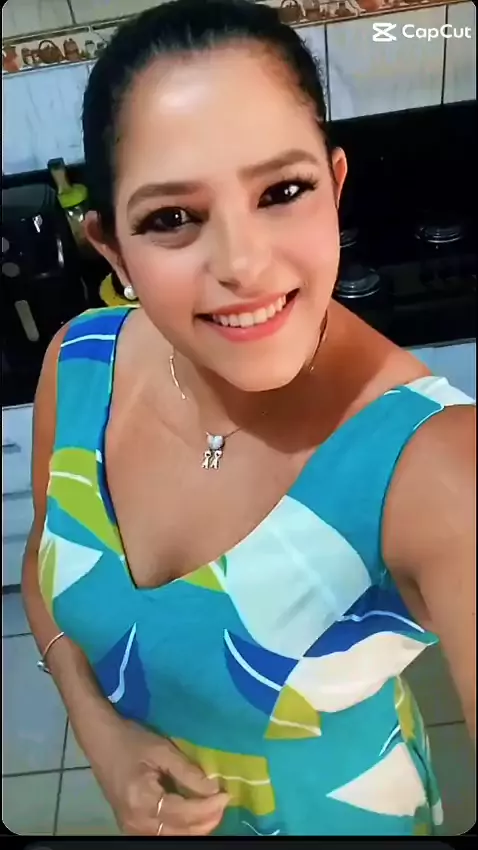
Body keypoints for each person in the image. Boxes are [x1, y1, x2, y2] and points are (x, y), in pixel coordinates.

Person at [22, 0, 475, 837]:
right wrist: (100, 732)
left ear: (335, 186)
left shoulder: (438, 464)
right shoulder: (80, 363)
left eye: (283, 191)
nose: (243, 264)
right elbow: (43, 562)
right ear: (113, 248)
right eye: (171, 218)